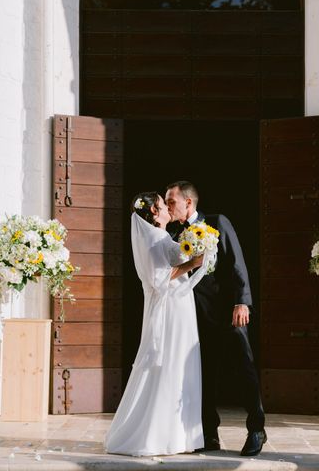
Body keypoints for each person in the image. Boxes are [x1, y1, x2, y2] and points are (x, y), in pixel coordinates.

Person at [165, 181, 266, 457]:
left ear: (189, 203)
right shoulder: (171, 233)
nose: (167, 206)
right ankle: (209, 433)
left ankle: (256, 428)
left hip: (228, 311)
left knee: (243, 367)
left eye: (171, 201)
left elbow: (236, 262)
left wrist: (241, 301)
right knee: (204, 375)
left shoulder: (217, 222)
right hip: (193, 316)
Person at [105, 192, 208, 456]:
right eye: (163, 204)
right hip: (168, 310)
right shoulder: (153, 239)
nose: (167, 209)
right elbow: (160, 280)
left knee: (179, 364)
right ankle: (157, 435)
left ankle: (178, 436)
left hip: (179, 306)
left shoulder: (160, 236)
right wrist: (192, 264)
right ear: (154, 211)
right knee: (168, 363)